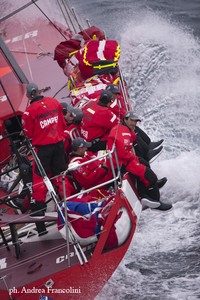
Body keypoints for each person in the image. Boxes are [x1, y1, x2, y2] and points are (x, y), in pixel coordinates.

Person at [107, 111, 172, 211]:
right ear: (125, 119)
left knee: (145, 163)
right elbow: (123, 153)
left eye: (136, 121)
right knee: (149, 176)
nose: (134, 123)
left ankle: (145, 192)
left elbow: (130, 143)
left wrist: (134, 155)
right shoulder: (123, 133)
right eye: (132, 120)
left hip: (124, 160)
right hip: (122, 163)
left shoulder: (124, 129)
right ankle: (155, 201)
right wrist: (133, 156)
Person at [22, 83, 67, 223]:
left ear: (28, 96)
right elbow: (63, 123)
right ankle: (68, 199)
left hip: (43, 150)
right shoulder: (54, 102)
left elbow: (28, 132)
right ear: (40, 91)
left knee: (39, 178)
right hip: (59, 145)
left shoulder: (29, 112)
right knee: (61, 174)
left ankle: (39, 209)